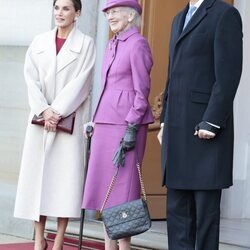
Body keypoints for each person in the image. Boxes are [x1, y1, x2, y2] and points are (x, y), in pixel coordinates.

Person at [157, 0, 243, 249]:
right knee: (177, 214)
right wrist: (164, 121)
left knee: (205, 217)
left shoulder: (225, 14)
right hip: (176, 129)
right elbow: (171, 75)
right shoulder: (177, 18)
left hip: (205, 130)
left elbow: (228, 75)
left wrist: (212, 121)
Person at [14, 0, 96, 249]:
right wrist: (44, 110)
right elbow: (30, 78)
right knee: (35, 180)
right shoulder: (39, 42)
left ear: (77, 13)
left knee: (65, 183)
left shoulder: (86, 44)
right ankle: (40, 238)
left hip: (68, 121)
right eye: (57, 8)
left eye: (66, 8)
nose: (60, 13)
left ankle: (59, 239)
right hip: (40, 120)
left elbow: (83, 82)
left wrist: (57, 111)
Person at [81, 0, 154, 249]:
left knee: (123, 197)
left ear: (131, 16)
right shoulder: (113, 43)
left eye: (114, 12)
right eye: (107, 13)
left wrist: (132, 126)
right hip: (105, 126)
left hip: (125, 128)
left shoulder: (137, 44)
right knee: (107, 194)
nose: (109, 16)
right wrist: (94, 119)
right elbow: (108, 89)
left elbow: (141, 92)